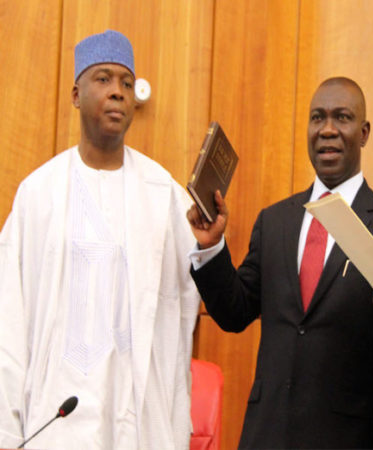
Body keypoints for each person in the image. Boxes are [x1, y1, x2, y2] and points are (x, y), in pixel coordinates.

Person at [186, 77, 373, 449]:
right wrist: (212, 247)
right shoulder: (275, 221)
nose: (327, 130)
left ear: (363, 133)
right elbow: (234, 313)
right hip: (266, 435)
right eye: (317, 118)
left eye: (341, 118)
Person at [0, 30, 200, 449]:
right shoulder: (39, 194)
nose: (118, 93)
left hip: (138, 420)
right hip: (57, 417)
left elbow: (193, 301)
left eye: (127, 84)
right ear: (76, 94)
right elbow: (9, 318)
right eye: (104, 80)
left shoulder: (164, 194)